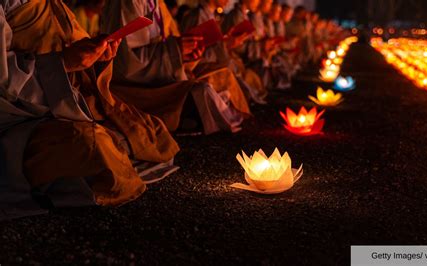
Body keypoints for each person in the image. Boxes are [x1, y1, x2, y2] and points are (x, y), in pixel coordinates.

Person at [0, 0, 180, 219]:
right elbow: (5, 79)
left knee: (149, 131)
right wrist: (62, 62)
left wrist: (97, 54)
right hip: (20, 117)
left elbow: (70, 50)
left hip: (69, 101)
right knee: (93, 146)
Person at [102, 0, 247, 134]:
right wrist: (176, 49)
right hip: (134, 88)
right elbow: (127, 63)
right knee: (202, 92)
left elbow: (161, 45)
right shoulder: (128, 2)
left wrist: (184, 54)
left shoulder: (155, 3)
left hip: (158, 75)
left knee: (208, 89)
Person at [179, 0, 257, 109]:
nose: (228, 0)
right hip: (198, 69)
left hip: (211, 64)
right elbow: (193, 54)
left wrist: (226, 43)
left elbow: (213, 46)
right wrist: (225, 45)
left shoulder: (211, 15)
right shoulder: (196, 16)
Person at [221, 0, 267, 104]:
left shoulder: (244, 15)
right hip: (232, 55)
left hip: (237, 54)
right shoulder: (236, 16)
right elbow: (235, 44)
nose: (258, 3)